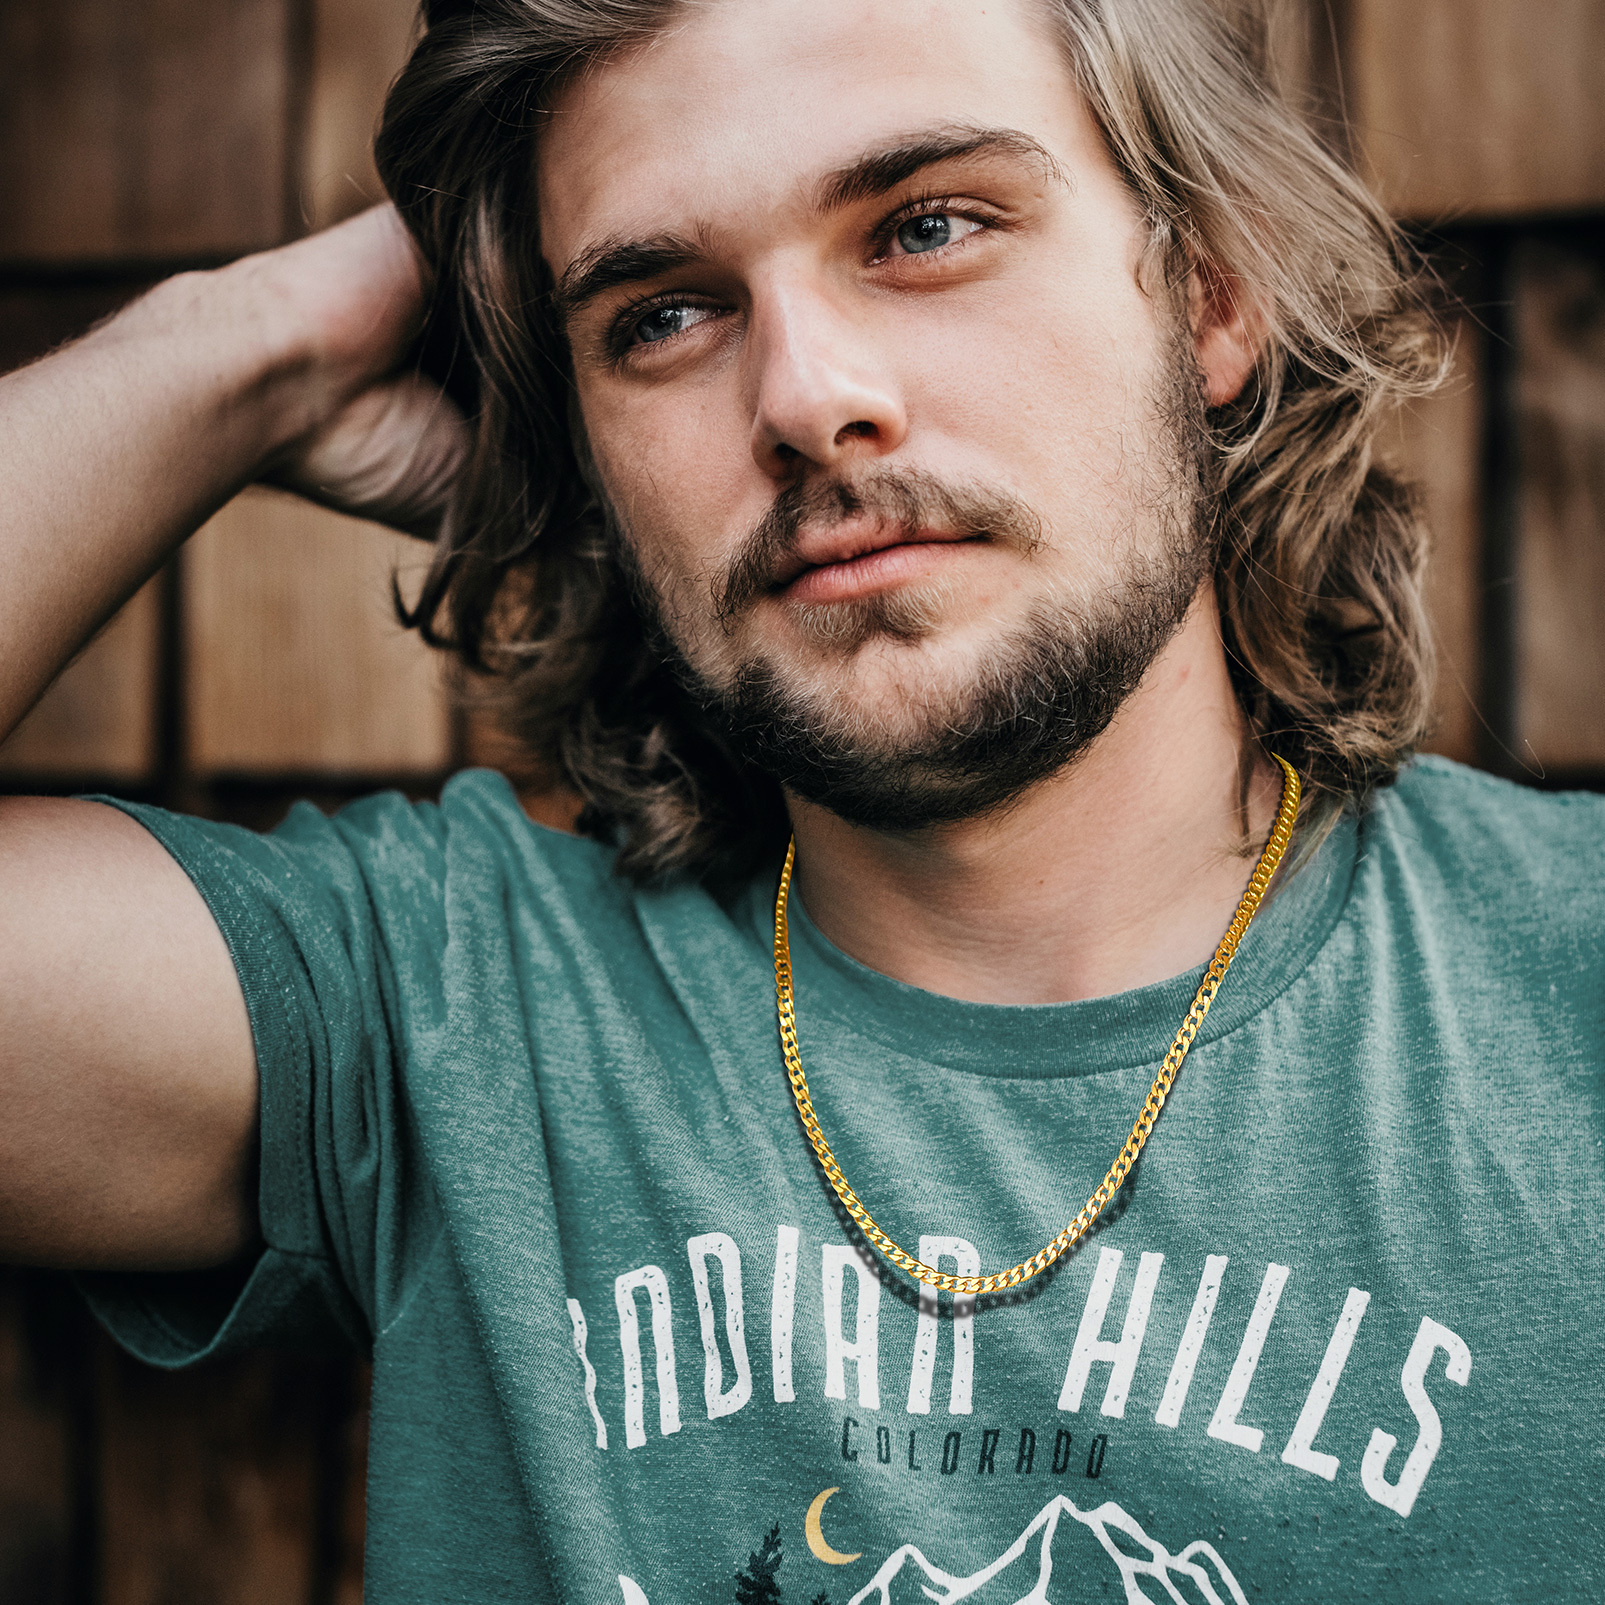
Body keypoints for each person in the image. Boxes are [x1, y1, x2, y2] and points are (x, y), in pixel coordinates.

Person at [0, 0, 1599, 1599]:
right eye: (660, 316)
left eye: (925, 225)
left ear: (1210, 291)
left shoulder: (1567, 986)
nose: (805, 396)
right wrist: (241, 350)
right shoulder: (445, 1015)